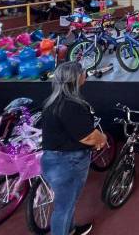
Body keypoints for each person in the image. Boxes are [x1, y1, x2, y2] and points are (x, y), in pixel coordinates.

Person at [42, 62, 106, 235]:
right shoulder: (70, 105)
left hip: (55, 160)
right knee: (64, 207)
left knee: (67, 204)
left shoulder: (53, 101)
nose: (85, 74)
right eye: (83, 72)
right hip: (67, 162)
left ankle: (70, 230)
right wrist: (102, 139)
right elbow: (89, 136)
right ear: (76, 78)